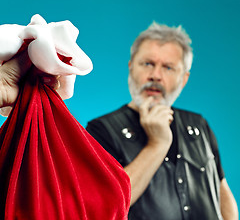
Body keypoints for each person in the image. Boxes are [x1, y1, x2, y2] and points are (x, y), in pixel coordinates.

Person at [86, 23, 239, 220]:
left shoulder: (199, 125)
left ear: (183, 79)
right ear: (131, 67)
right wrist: (157, 144)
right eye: (148, 63)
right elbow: (105, 204)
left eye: (168, 67)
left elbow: (221, 191)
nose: (155, 75)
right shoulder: (101, 130)